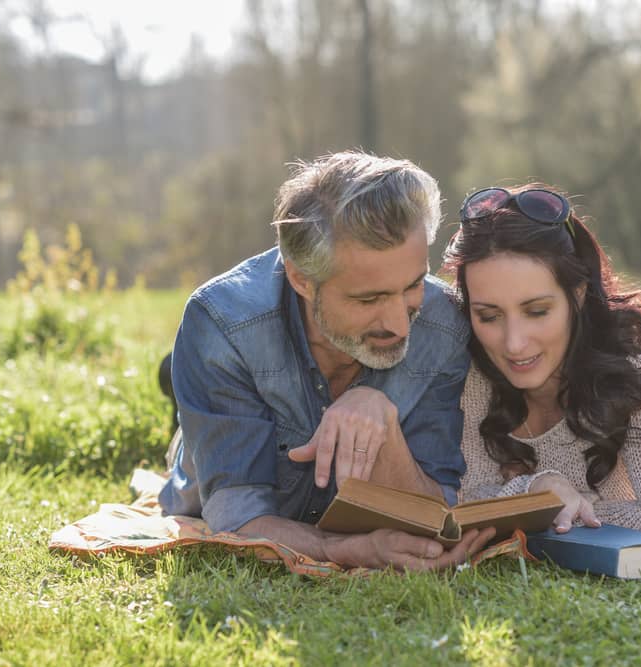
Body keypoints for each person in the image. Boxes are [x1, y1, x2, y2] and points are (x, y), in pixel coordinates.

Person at [160, 151, 494, 570]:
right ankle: (181, 400)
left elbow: (435, 509)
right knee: (193, 429)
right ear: (301, 278)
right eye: (368, 299)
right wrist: (340, 550)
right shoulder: (222, 323)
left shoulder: (444, 321)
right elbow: (237, 516)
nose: (399, 324)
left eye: (411, 286)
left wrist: (382, 418)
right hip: (212, 433)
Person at [442, 184, 641, 536]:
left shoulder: (627, 364)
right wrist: (537, 489)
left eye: (537, 311)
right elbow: (459, 503)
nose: (514, 343)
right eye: (489, 316)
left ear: (578, 295)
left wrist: (559, 505)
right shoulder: (469, 366)